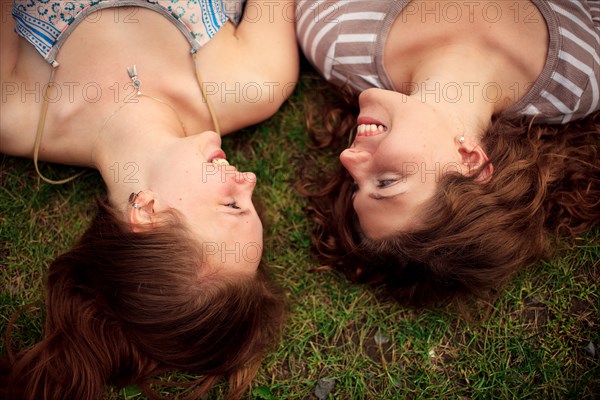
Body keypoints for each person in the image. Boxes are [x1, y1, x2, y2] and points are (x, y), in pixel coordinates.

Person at [0, 0, 298, 398]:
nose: (249, 179)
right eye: (250, 202)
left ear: (147, 212)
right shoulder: (257, 82)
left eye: (232, 205)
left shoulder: (12, 109)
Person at [296, 0, 599, 307]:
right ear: (471, 162)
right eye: (385, 182)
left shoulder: (334, 37)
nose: (348, 157)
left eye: (355, 185)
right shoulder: (581, 78)